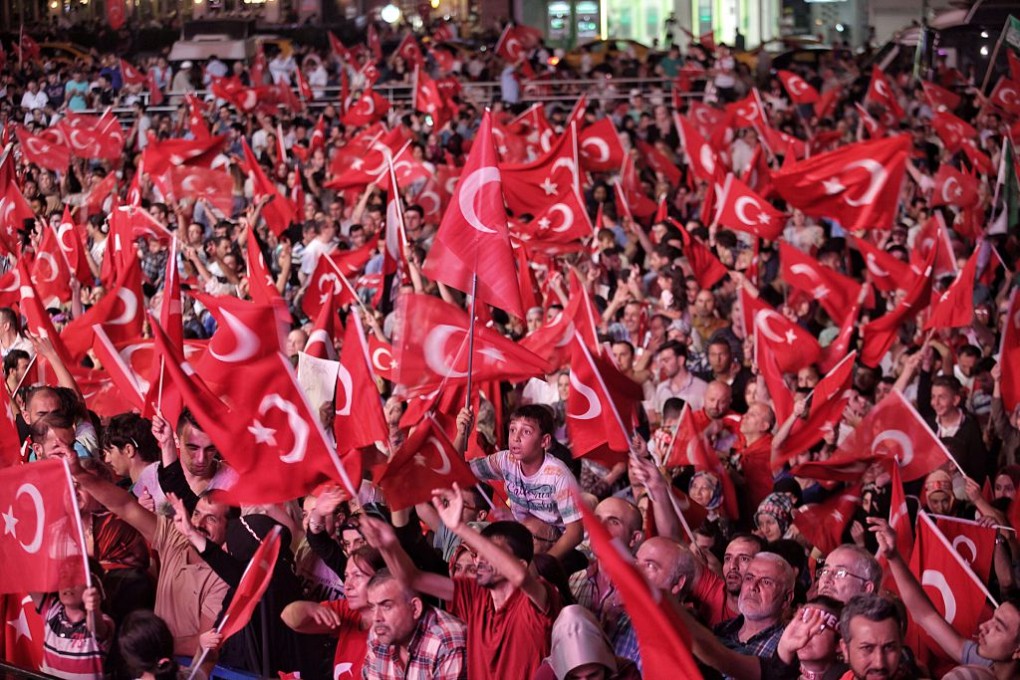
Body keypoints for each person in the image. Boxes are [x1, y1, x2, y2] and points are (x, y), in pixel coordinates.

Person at [360, 486, 562, 680]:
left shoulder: (538, 597)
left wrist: (459, 527)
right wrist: (388, 546)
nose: (479, 560)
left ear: (521, 563)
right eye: (478, 553)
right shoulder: (474, 594)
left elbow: (519, 577)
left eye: (492, 553)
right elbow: (413, 578)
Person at [871, 517, 1020, 676]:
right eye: (993, 619)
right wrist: (893, 556)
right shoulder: (984, 661)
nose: (984, 627)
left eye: (998, 627)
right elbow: (925, 615)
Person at [464, 405, 584, 561]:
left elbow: (576, 533)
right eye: (513, 430)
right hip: (518, 535)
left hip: (551, 545)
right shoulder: (505, 460)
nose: (515, 438)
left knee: (532, 530)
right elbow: (459, 470)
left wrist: (546, 564)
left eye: (526, 432)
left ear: (544, 441)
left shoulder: (558, 475)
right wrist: (462, 434)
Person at [361, 569, 468, 679]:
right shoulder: (378, 633)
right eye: (372, 607)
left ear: (415, 608)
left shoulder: (447, 642)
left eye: (386, 606)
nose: (376, 618)